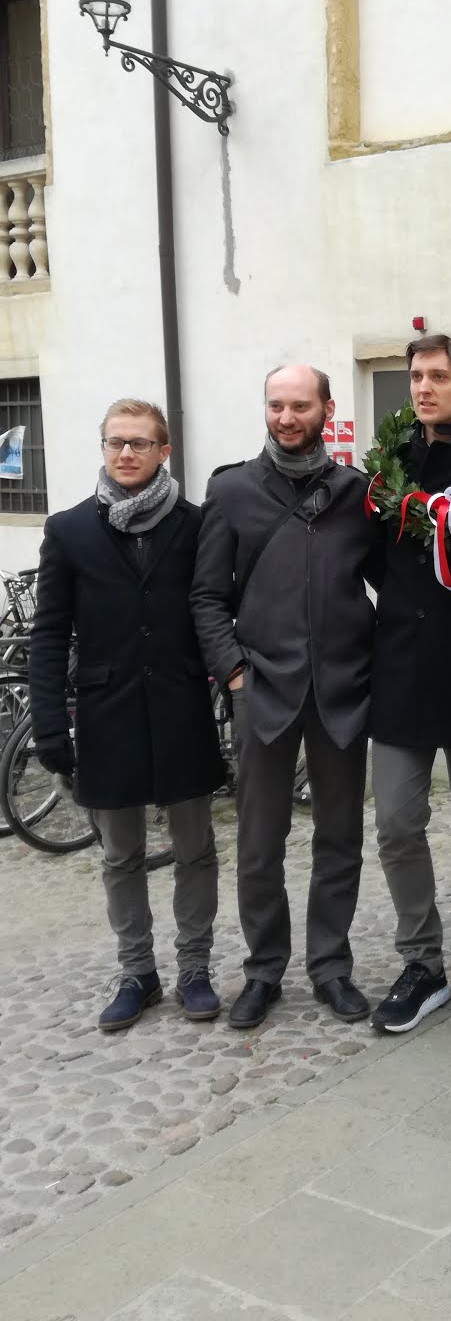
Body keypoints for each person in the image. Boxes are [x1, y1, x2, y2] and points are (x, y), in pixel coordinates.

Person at [191, 364, 380, 1030]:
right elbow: (207, 597)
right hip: (262, 692)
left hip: (342, 694)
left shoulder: (359, 494)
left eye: (301, 404)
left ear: (327, 409)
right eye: (277, 405)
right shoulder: (232, 489)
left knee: (340, 840)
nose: (287, 416)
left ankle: (330, 966)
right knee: (258, 845)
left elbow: (392, 586)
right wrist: (235, 673)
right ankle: (264, 970)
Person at [30, 399, 225, 1031]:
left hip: (180, 707)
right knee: (120, 855)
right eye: (116, 443)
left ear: (164, 451)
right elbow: (50, 634)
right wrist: (50, 726)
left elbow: (216, 607)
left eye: (140, 443)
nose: (127, 454)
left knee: (196, 847)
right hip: (106, 711)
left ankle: (194, 967)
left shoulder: (196, 525)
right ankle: (137, 971)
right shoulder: (70, 530)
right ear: (104, 447)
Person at [368, 335, 451, 1034]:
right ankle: (420, 961)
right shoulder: (387, 465)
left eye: (438, 376)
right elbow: (373, 561)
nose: (422, 387)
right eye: (416, 376)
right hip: (398, 670)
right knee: (396, 822)